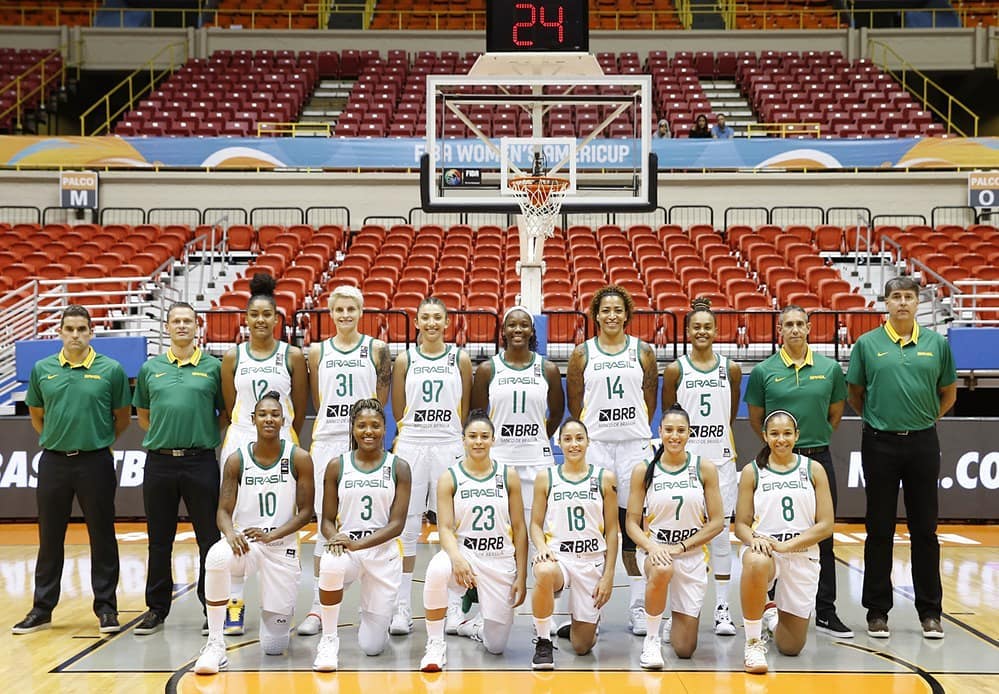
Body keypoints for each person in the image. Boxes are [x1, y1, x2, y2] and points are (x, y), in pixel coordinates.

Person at [846, 276, 956, 640]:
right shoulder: (867, 344)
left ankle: (930, 612)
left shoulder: (936, 344)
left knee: (925, 529)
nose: (903, 303)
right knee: (879, 528)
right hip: (879, 443)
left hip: (923, 443)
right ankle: (877, 611)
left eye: (909, 297)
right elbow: (856, 395)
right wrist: (881, 422)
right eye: (896, 297)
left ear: (918, 302)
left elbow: (949, 393)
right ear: (886, 303)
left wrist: (924, 421)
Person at [12, 305, 132, 635]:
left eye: (82, 329)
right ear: (60, 332)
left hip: (95, 461)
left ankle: (106, 608)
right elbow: (37, 413)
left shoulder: (111, 370)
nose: (76, 335)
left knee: (103, 536)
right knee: (50, 537)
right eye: (70, 329)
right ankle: (42, 608)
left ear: (92, 332)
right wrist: (57, 438)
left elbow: (121, 417)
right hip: (53, 462)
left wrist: (99, 440)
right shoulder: (43, 368)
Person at [744, 304, 852, 638]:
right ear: (780, 330)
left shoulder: (830, 369)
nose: (794, 329)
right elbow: (755, 418)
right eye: (787, 324)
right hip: (776, 462)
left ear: (809, 328)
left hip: (816, 457)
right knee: (772, 532)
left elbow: (835, 414)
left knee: (824, 536)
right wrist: (781, 448)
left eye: (799, 324)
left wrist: (810, 445)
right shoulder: (764, 371)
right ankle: (773, 607)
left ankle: (825, 611)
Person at [193, 391, 314, 675]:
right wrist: (230, 532)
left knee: (274, 646)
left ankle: (275, 614)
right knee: (216, 558)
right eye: (263, 414)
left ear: (284, 420)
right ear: (253, 419)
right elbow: (223, 510)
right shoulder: (236, 460)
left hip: (280, 545)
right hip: (246, 544)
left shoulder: (300, 458)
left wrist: (273, 535)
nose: (269, 419)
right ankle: (215, 644)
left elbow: (306, 512)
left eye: (274, 414)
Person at [298, 285, 392, 637]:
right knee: (327, 522)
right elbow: (319, 399)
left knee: (372, 517)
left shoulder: (377, 349)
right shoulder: (317, 351)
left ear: (361, 311)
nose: (346, 315)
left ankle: (379, 601)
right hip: (327, 441)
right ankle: (319, 609)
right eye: (340, 310)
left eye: (352, 309)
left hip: (364, 442)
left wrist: (365, 430)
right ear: (331, 312)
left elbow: (378, 401)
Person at [219, 272, 308, 635]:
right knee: (237, 520)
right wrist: (249, 428)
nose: (260, 320)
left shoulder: (293, 355)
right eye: (254, 315)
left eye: (266, 315)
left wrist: (281, 431)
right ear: (246, 319)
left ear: (276, 319)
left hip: (281, 436)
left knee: (283, 518)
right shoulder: (232, 356)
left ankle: (280, 598)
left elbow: (299, 407)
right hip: (241, 436)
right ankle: (234, 605)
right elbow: (230, 405)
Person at [566, 285, 658, 636]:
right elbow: (577, 402)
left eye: (618, 309)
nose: (611, 316)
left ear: (627, 314)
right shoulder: (581, 354)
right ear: (596, 315)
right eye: (605, 310)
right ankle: (589, 605)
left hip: (633, 445)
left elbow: (649, 398)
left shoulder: (643, 351)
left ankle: (637, 606)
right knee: (592, 528)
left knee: (632, 528)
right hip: (598, 446)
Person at [132, 302, 225, 636]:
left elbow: (224, 414)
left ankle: (211, 606)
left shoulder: (213, 367)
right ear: (167, 327)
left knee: (209, 540)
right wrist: (166, 436)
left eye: (188, 321)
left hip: (200, 461)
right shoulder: (150, 369)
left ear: (196, 326)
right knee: (159, 540)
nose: (182, 326)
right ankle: (156, 609)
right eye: (176, 321)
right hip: (159, 463)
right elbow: (143, 414)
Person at [418, 411, 528, 671]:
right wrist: (456, 558)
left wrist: (522, 576)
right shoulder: (450, 477)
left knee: (496, 646)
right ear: (463, 440)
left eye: (484, 436)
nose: (478, 441)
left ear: (493, 440)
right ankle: (435, 644)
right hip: (465, 552)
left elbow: (520, 528)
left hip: (499, 558)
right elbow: (444, 527)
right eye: (472, 436)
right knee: (436, 569)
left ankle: (474, 626)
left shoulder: (507, 475)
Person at [391, 296, 472, 635]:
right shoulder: (405, 359)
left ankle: (454, 608)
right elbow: (398, 410)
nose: (432, 323)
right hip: (413, 442)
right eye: (426, 317)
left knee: (451, 527)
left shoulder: (460, 358)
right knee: (406, 526)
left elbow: (464, 408)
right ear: (418, 323)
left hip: (448, 442)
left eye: (438, 317)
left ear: (447, 322)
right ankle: (401, 608)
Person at [661, 297, 742, 637]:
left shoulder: (731, 368)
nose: (703, 331)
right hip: (685, 465)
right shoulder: (676, 369)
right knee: (679, 538)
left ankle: (722, 609)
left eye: (708, 326)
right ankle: (671, 611)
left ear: (716, 330)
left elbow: (731, 411)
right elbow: (670, 415)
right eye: (697, 327)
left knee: (721, 538)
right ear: (688, 331)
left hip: (721, 461)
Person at [313, 398, 411, 671]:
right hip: (347, 551)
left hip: (382, 553)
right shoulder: (337, 465)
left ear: (385, 428)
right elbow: (327, 520)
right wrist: (335, 538)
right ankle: (329, 640)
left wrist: (357, 544)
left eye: (376, 425)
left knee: (372, 647)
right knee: (330, 562)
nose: (369, 431)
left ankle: (373, 614)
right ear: (353, 429)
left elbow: (397, 524)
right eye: (362, 425)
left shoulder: (398, 466)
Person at [735, 410, 834, 675]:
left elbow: (826, 524)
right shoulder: (752, 471)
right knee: (755, 562)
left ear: (797, 436)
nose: (781, 439)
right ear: (765, 436)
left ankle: (771, 615)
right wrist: (755, 539)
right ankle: (753, 643)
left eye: (787, 433)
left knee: (791, 647)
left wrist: (789, 546)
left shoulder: (813, 469)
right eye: (775, 434)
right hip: (766, 550)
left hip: (801, 554)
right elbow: (741, 525)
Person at [625, 405, 725, 668]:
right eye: (668, 430)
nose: (674, 436)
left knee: (684, 649)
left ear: (689, 433)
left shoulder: (704, 468)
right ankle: (652, 639)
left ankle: (675, 620)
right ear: (659, 431)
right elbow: (631, 524)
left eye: (681, 430)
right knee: (662, 568)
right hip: (655, 552)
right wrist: (651, 546)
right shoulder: (644, 470)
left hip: (690, 555)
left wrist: (681, 546)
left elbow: (716, 523)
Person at [529, 418, 618, 669]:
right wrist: (542, 547)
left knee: (582, 647)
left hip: (591, 561)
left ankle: (581, 623)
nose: (574, 444)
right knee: (544, 572)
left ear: (588, 442)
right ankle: (543, 640)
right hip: (559, 558)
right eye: (567, 439)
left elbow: (612, 531)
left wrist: (608, 575)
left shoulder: (604, 478)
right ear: (559, 443)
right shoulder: (546, 477)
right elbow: (535, 524)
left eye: (579, 438)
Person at [470, 306, 564, 531]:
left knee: (537, 528)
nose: (518, 329)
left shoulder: (548, 369)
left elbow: (557, 413)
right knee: (500, 528)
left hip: (537, 460)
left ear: (533, 331)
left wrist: (539, 437)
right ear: (503, 330)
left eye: (524, 325)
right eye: (512, 325)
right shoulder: (487, 369)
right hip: (499, 457)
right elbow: (478, 417)